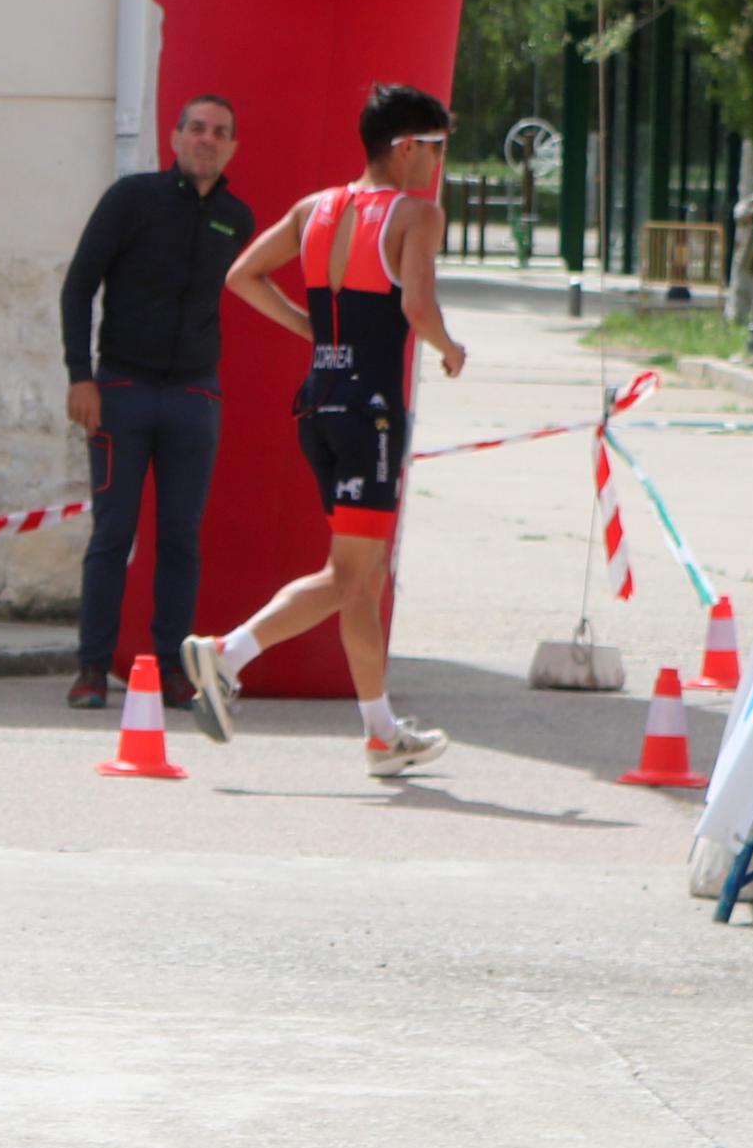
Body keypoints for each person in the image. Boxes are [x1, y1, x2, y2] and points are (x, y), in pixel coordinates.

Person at [182, 81, 469, 777]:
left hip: (318, 398)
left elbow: (242, 275)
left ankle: (379, 734)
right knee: (348, 576)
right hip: (370, 408)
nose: (438, 162)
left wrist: (310, 328)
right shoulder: (415, 215)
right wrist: (447, 347)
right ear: (405, 147)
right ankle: (226, 654)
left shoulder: (317, 207)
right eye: (435, 147)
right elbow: (417, 304)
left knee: (360, 580)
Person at [57, 91, 251, 708]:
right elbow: (78, 286)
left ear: (232, 147)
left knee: (181, 538)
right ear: (174, 137)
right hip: (121, 391)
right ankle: (92, 669)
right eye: (196, 128)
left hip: (195, 395)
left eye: (219, 132)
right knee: (113, 534)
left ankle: (171, 668)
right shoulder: (131, 200)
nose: (206, 139)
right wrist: (79, 374)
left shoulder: (237, 219)